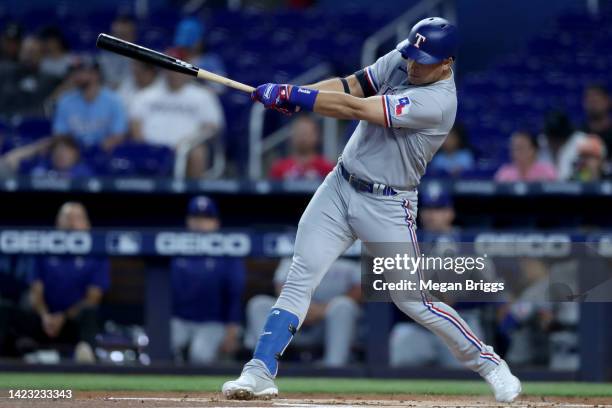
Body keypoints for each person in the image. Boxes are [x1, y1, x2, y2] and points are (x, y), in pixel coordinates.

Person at [222, 17, 521, 403]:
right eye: (413, 55)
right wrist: (296, 95)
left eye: (424, 60)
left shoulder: (438, 102)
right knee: (300, 275)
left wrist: (293, 94)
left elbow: (356, 107)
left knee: (414, 301)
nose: (413, 65)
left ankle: (490, 363)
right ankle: (259, 370)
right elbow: (350, 85)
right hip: (340, 184)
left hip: (388, 203)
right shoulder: (402, 57)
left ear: (446, 63)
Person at [389, 184, 485, 368]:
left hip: (460, 322)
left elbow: (488, 289)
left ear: (450, 213)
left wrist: (456, 297)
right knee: (399, 352)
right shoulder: (408, 240)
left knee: (471, 378)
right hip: (419, 325)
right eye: (428, 209)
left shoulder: (469, 243)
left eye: (439, 209)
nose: (432, 215)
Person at [26, 202, 110, 362]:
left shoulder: (96, 253)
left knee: (90, 312)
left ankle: (87, 355)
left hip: (73, 321)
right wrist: (45, 316)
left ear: (87, 225)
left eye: (77, 218)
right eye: (67, 218)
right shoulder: (43, 248)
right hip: (43, 319)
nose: (72, 223)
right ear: (57, 223)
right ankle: (15, 357)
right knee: (11, 308)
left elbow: (93, 297)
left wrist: (63, 317)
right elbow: (35, 291)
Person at [246, 257, 360, 367]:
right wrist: (300, 309)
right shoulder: (298, 248)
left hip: (328, 324)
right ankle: (265, 366)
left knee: (343, 305)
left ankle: (334, 368)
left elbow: (361, 288)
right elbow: (281, 286)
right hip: (294, 321)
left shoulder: (351, 250)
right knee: (259, 304)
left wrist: (321, 309)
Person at [171, 196, 245, 364]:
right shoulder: (175, 247)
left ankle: (195, 392)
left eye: (206, 218)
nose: (200, 223)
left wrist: (232, 330)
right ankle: (161, 391)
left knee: (200, 355)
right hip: (178, 319)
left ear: (216, 223)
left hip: (212, 322)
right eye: (196, 218)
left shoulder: (228, 251)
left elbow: (234, 293)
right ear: (188, 221)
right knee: (163, 346)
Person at [129, 48, 224, 179]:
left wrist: (188, 143)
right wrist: (147, 147)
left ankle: (193, 195)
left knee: (198, 153)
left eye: (178, 67)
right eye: (169, 67)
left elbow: (212, 127)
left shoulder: (203, 95)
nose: (173, 72)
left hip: (186, 150)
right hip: (152, 150)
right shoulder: (146, 95)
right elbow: (135, 124)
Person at [53, 56, 127, 151]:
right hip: (75, 154)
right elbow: (60, 134)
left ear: (95, 74)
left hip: (105, 153)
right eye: (75, 72)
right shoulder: (65, 101)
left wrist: (98, 150)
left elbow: (118, 134)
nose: (76, 75)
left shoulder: (114, 100)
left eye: (81, 71)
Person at [0, 35, 61, 117]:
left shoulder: (50, 80)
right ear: (20, 53)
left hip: (34, 124)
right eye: (25, 51)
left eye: (33, 52)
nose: (28, 55)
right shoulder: (4, 72)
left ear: (42, 55)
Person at [269, 115, 334, 181]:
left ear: (316, 136)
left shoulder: (326, 167)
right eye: (299, 133)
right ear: (292, 136)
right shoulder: (279, 168)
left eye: (306, 134)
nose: (303, 138)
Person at [173, 17, 227, 94]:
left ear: (200, 41)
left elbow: (220, 88)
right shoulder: (173, 56)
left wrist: (197, 81)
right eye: (184, 46)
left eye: (189, 45)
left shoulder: (210, 62)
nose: (185, 49)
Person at [538, 111, 586, 180]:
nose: (554, 141)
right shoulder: (541, 143)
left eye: (558, 137)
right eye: (552, 137)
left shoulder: (581, 141)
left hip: (575, 187)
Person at [99, 15, 137, 90]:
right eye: (118, 35)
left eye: (125, 35)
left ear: (133, 36)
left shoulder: (140, 58)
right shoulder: (103, 58)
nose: (122, 41)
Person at [581, 85, 612, 156]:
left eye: (597, 100)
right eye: (590, 100)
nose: (593, 104)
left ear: (608, 101)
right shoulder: (579, 135)